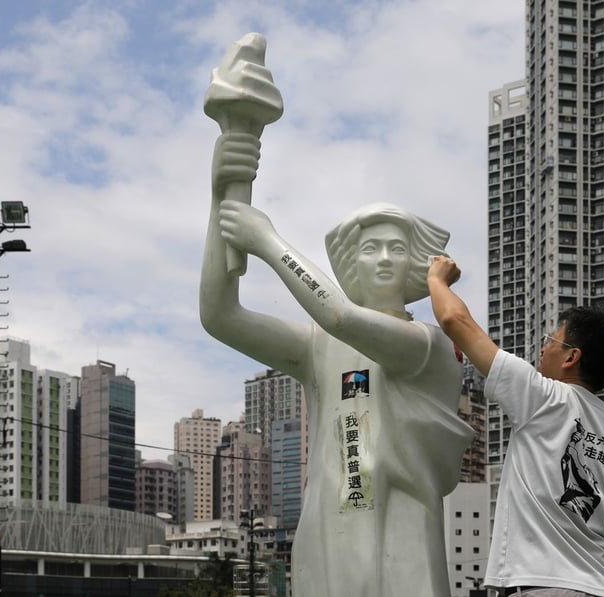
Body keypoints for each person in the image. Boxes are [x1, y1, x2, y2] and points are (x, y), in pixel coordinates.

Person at [200, 128, 474, 596]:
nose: (385, 259)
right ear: (352, 262)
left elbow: (341, 316)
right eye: (371, 248)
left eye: (397, 248)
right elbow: (220, 316)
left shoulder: (424, 344)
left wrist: (265, 240)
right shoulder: (320, 347)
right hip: (328, 535)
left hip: (402, 545)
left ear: (415, 265)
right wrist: (218, 201)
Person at [427, 256, 604, 597]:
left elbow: (453, 319)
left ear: (570, 357)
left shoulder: (544, 397)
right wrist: (584, 571)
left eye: (552, 340)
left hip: (540, 588)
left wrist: (437, 278)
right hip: (600, 589)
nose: (543, 346)